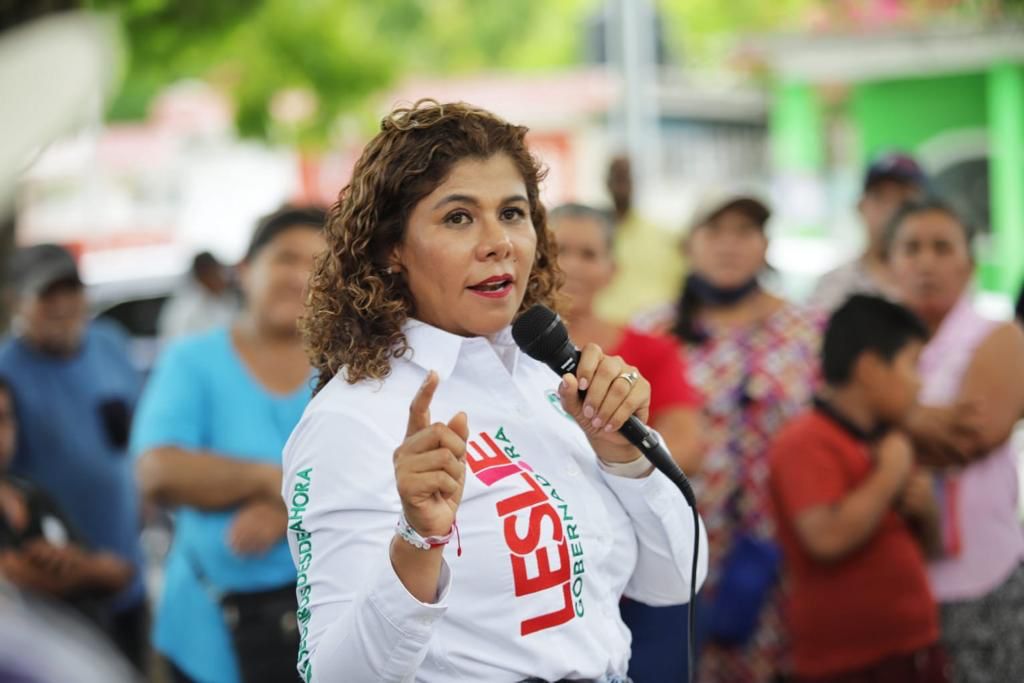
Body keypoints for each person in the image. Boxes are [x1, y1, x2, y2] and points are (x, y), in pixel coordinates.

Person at [283, 100, 707, 683]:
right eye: (458, 218)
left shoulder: (549, 378)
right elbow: (334, 676)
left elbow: (675, 579)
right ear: (391, 248)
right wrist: (417, 540)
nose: (498, 242)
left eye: (512, 213)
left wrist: (624, 456)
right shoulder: (353, 419)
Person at [131, 206, 326, 683]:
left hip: (323, 623)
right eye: (285, 258)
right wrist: (278, 485)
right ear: (245, 269)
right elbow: (158, 471)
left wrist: (287, 509)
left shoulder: (345, 367)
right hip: (208, 630)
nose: (299, 277)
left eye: (317, 264)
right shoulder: (192, 360)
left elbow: (382, 479)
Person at [640, 189, 822, 682]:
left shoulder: (806, 329)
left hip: (779, 543)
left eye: (744, 231)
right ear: (689, 245)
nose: (729, 244)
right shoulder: (654, 331)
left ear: (765, 244)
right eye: (715, 231)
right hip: (681, 542)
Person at [549, 201, 703, 683]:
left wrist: (610, 456)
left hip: (643, 566)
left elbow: (687, 444)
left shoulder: (650, 350)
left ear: (612, 269)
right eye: (559, 249)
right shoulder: (503, 351)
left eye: (589, 253)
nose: (573, 265)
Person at [770, 295, 948, 683]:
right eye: (913, 365)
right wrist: (890, 473)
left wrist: (928, 513)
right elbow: (826, 539)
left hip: (913, 647)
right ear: (870, 369)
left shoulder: (887, 439)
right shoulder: (805, 440)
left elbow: (931, 550)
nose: (920, 383)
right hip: (846, 663)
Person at [885, 198, 1024, 683]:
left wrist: (886, 424)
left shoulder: (1000, 336)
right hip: (892, 583)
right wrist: (930, 422)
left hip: (983, 576)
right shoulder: (875, 345)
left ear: (969, 264)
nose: (926, 262)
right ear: (890, 263)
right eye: (911, 248)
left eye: (942, 248)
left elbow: (976, 435)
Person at [0, 243, 147, 669]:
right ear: (16, 301)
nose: (63, 305)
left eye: (71, 290)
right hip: (52, 590)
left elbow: (134, 434)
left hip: (125, 569)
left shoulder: (110, 342)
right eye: (47, 294)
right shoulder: (6, 370)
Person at [0, 376, 135, 614]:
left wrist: (75, 564)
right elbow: (13, 579)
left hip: (86, 632)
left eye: (4, 419)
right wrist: (86, 572)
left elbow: (119, 572)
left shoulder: (32, 494)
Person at [809, 152, 927, 313]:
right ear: (861, 206)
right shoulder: (836, 286)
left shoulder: (935, 282)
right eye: (881, 197)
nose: (891, 210)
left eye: (904, 200)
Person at [592, 155, 685, 325]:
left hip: (653, 330)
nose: (622, 185)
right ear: (607, 182)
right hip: (600, 331)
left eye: (626, 177)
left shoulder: (665, 237)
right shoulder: (591, 234)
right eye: (617, 177)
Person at [158, 250, 240, 341]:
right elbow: (175, 342)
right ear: (204, 275)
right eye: (216, 273)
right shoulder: (184, 308)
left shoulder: (226, 299)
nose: (222, 277)